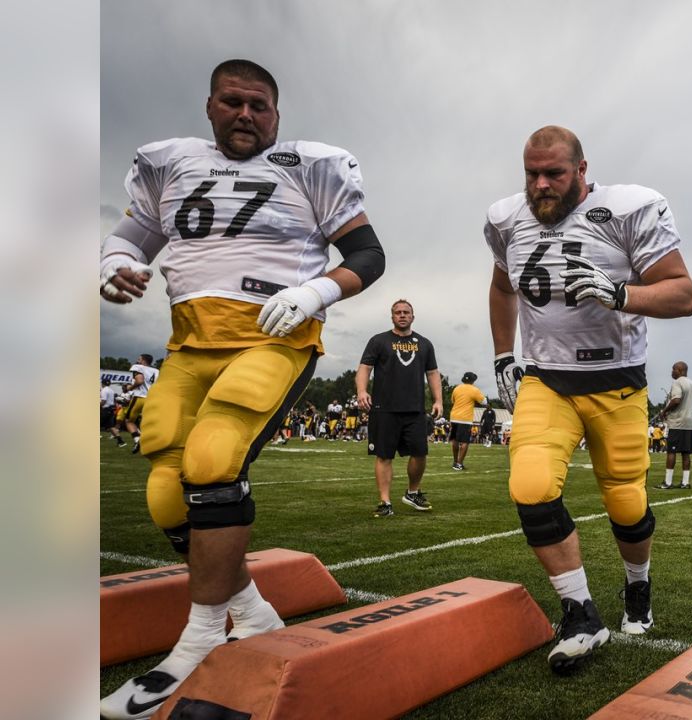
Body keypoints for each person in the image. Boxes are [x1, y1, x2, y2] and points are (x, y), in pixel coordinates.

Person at [98, 59, 385, 719]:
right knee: (166, 489)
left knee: (212, 461)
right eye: (234, 102)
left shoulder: (309, 166)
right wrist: (114, 264)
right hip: (188, 343)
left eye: (259, 105)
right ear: (210, 106)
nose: (246, 115)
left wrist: (313, 290)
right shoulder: (170, 164)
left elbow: (368, 255)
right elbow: (129, 237)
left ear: (276, 114)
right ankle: (251, 611)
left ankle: (200, 639)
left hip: (273, 338)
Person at [486, 126, 692, 673]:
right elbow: (503, 284)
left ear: (581, 170)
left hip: (617, 383)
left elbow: (683, 293)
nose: (541, 185)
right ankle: (580, 611)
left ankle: (638, 585)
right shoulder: (507, 218)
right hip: (546, 380)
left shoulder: (628, 209)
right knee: (530, 486)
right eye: (531, 173)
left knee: (625, 501)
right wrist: (503, 355)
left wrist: (621, 293)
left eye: (554, 173)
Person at [357, 300, 443, 517]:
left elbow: (432, 373)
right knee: (384, 456)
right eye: (398, 312)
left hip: (414, 409)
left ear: (413, 316)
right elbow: (365, 368)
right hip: (384, 408)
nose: (402, 315)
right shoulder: (379, 341)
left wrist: (438, 400)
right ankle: (385, 503)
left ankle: (412, 492)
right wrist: (362, 391)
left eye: (406, 312)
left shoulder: (425, 344)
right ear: (392, 316)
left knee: (420, 452)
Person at [656, 361, 692, 490]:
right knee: (686, 453)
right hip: (691, 423)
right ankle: (685, 483)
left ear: (679, 370)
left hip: (678, 422)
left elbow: (676, 400)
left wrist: (664, 411)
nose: (671, 372)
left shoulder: (677, 382)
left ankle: (668, 482)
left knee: (671, 451)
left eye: (673, 369)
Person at [449, 372, 487, 470]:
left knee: (455, 440)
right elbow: (484, 402)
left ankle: (455, 462)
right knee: (465, 442)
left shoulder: (457, 388)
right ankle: (459, 464)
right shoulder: (474, 390)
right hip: (465, 419)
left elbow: (452, 401)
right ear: (473, 380)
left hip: (454, 417)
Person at [123, 353, 160, 453]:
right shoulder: (157, 371)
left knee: (128, 421)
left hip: (140, 397)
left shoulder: (137, 367)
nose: (137, 360)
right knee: (148, 423)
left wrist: (129, 388)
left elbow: (139, 381)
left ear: (143, 361)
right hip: (153, 398)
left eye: (139, 359)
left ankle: (137, 439)